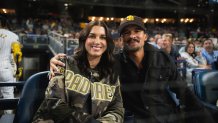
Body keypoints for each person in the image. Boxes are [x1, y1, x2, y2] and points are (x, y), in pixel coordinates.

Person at [49, 15, 216, 123]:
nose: (132, 36)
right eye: (126, 33)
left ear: (145, 36)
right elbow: (85, 64)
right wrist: (59, 61)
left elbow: (184, 93)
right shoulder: (113, 61)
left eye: (137, 31)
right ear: (121, 39)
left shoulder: (162, 58)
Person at [33, 20, 124, 123]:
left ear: (107, 43)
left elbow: (117, 110)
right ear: (84, 39)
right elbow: (54, 102)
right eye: (92, 36)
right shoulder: (64, 63)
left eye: (102, 37)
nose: (97, 41)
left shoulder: (112, 74)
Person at [0, 17, 22, 114]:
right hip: (5, 68)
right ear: (5, 23)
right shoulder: (13, 36)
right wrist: (17, 70)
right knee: (8, 96)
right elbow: (17, 54)